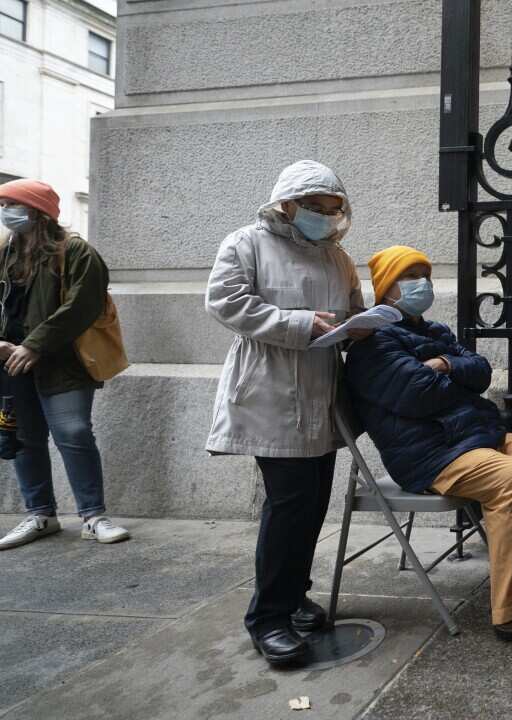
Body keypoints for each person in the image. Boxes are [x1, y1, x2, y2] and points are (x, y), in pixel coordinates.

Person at [344, 245, 512, 649]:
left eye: (425, 273)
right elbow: (418, 394)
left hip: (472, 435)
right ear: (386, 290)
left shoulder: (434, 332)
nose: (422, 282)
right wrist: (454, 374)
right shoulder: (373, 344)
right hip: (431, 454)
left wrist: (444, 365)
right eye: (409, 276)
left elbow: (481, 371)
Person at [205, 160, 368, 666]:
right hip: (271, 392)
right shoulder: (246, 243)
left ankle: (295, 598)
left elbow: (351, 308)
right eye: (314, 207)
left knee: (313, 502)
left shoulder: (336, 257)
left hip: (320, 392)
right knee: (290, 505)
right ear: (288, 204)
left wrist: (361, 325)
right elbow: (225, 302)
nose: (323, 216)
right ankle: (268, 619)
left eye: (331, 208)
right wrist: (300, 324)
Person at [0, 179, 128, 550]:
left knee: (73, 433)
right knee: (23, 438)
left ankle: (93, 517)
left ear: (38, 212)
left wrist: (36, 345)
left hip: (64, 362)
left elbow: (82, 306)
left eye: (13, 203)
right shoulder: (5, 253)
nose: (7, 211)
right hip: (10, 363)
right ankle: (39, 515)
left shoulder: (75, 252)